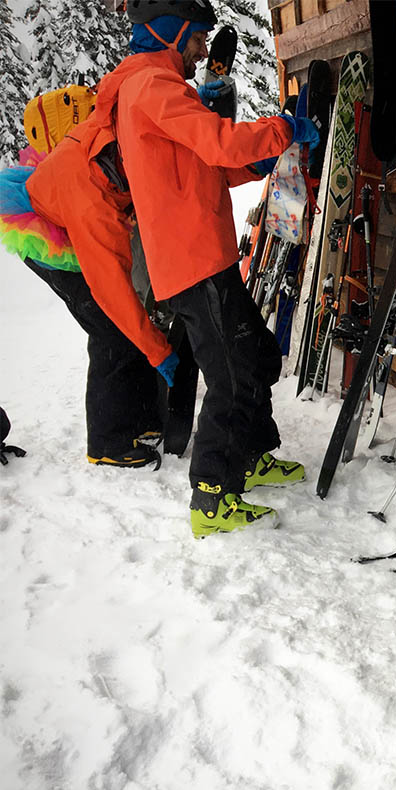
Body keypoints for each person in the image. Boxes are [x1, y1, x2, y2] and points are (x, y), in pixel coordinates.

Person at [91, 0, 320, 537]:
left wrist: (259, 158)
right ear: (169, 33)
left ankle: (251, 453)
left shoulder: (158, 88)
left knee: (256, 354)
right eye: (196, 38)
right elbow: (219, 141)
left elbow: (206, 165)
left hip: (205, 254)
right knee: (231, 376)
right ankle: (212, 496)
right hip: (192, 261)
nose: (202, 49)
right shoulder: (152, 88)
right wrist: (281, 129)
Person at [0, 86, 174, 468]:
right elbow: (108, 278)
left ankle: (142, 420)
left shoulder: (106, 132)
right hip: (53, 237)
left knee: (121, 325)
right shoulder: (86, 178)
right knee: (110, 328)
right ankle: (107, 442)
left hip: (67, 212)